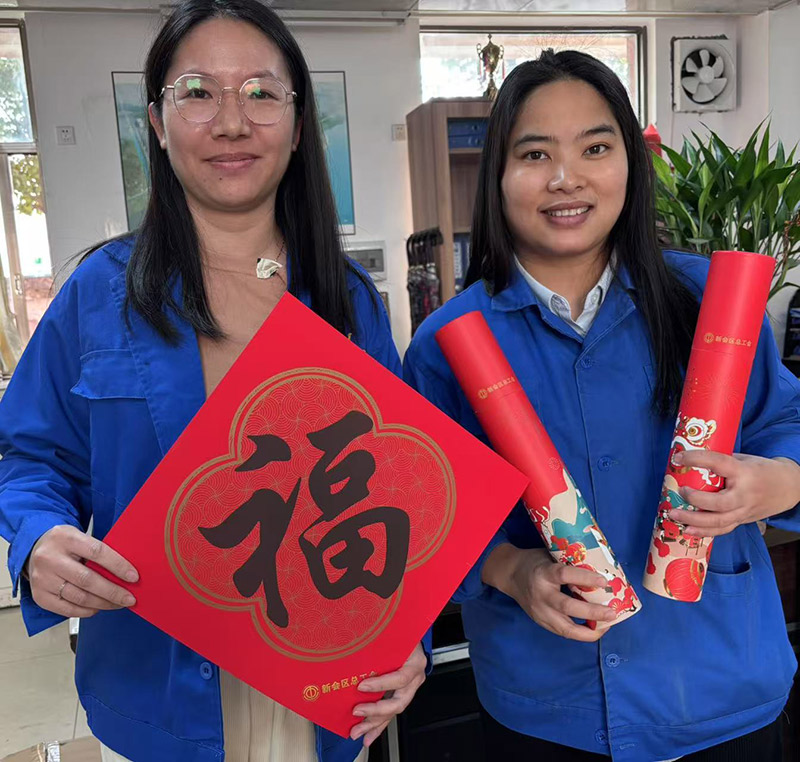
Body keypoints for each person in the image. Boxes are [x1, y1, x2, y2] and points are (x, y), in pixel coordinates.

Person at [0, 2, 427, 761]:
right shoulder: (97, 293)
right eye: (197, 92)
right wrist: (37, 539)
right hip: (158, 687)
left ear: (298, 124)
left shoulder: (347, 299)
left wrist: (409, 638)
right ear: (158, 123)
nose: (232, 122)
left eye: (261, 93)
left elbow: (399, 490)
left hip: (320, 687)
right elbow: (27, 457)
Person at [403, 49, 800, 762]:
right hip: (548, 708)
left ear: (630, 164)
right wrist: (511, 571)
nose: (567, 178)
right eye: (535, 153)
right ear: (498, 175)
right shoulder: (447, 343)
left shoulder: (707, 299)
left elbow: (787, 423)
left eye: (595, 147)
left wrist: (775, 482)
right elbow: (427, 514)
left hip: (720, 688)